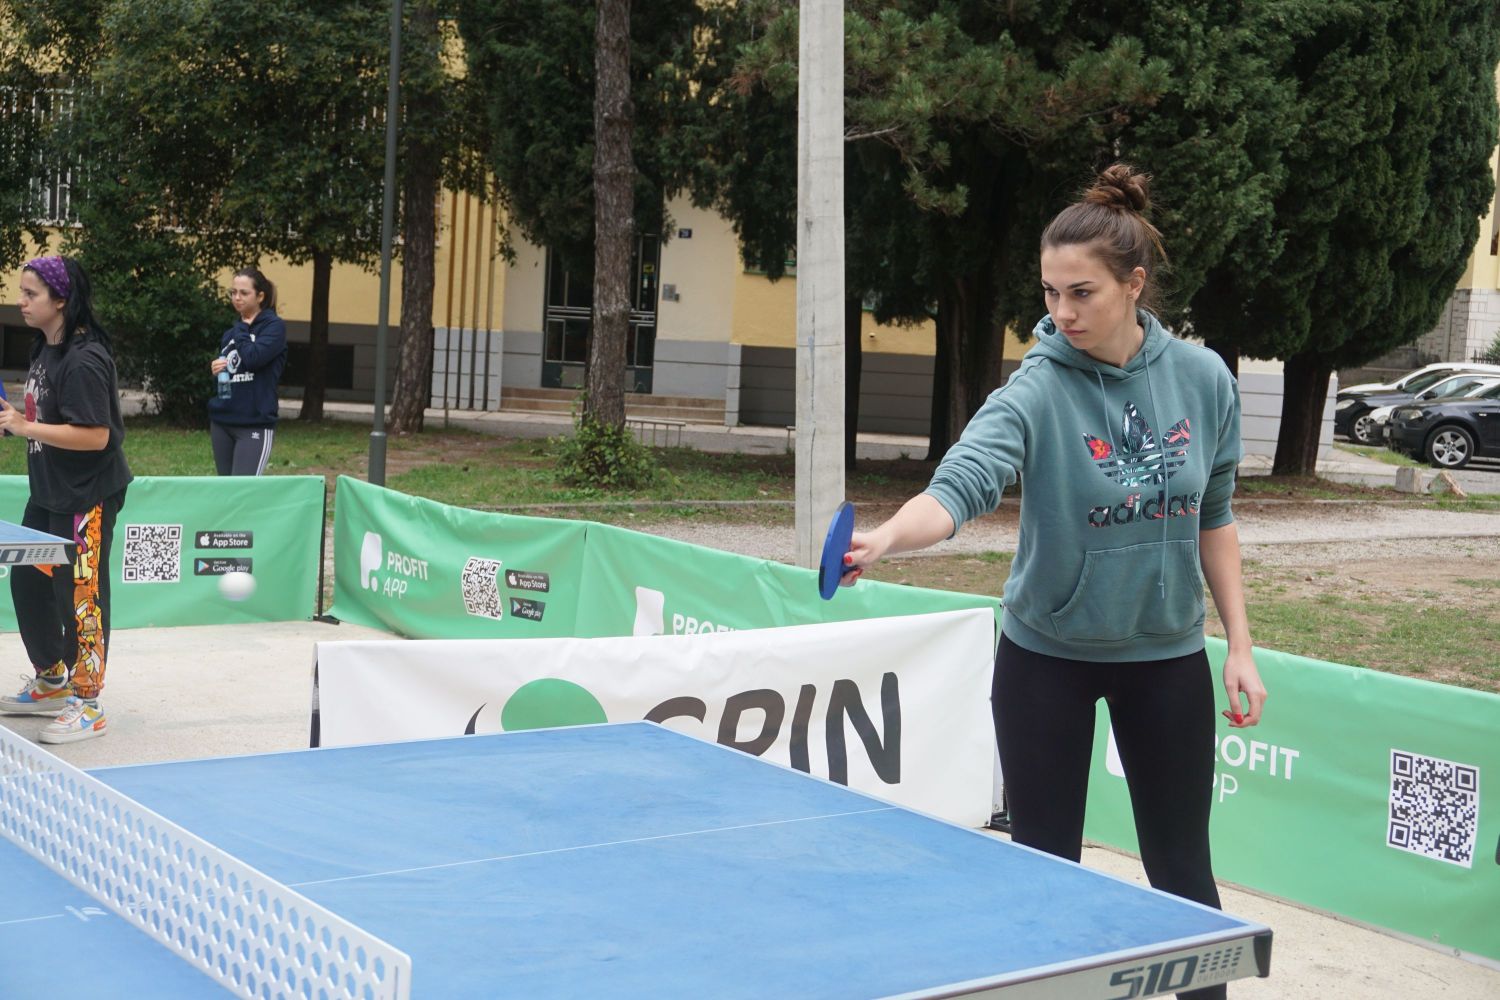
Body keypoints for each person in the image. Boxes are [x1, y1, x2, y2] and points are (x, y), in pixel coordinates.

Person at [843, 164, 1266, 1000]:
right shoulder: (1034, 389)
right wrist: (888, 536)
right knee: (1044, 875)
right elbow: (960, 484)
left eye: (1083, 293)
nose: (1062, 313)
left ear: (1134, 285)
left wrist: (1241, 648)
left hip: (1166, 659)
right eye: (1050, 292)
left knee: (1183, 871)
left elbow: (1214, 518)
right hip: (1047, 661)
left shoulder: (1205, 379)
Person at [0, 255, 133, 743]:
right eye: (21, 291)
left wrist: (25, 425)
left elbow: (97, 435)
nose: (22, 301)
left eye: (30, 293)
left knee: (81, 596)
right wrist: (18, 420)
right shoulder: (46, 350)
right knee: (29, 582)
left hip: (86, 497)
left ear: (61, 300)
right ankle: (53, 679)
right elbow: (50, 421)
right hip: (50, 492)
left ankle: (88, 701)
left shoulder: (84, 358)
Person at [209, 267, 287, 475]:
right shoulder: (230, 333)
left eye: (244, 293)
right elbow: (232, 371)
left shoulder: (274, 327)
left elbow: (253, 359)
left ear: (260, 296)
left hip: (255, 424)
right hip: (222, 422)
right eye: (233, 292)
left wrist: (243, 327)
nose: (237, 298)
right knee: (226, 492)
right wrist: (217, 369)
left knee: (244, 493)